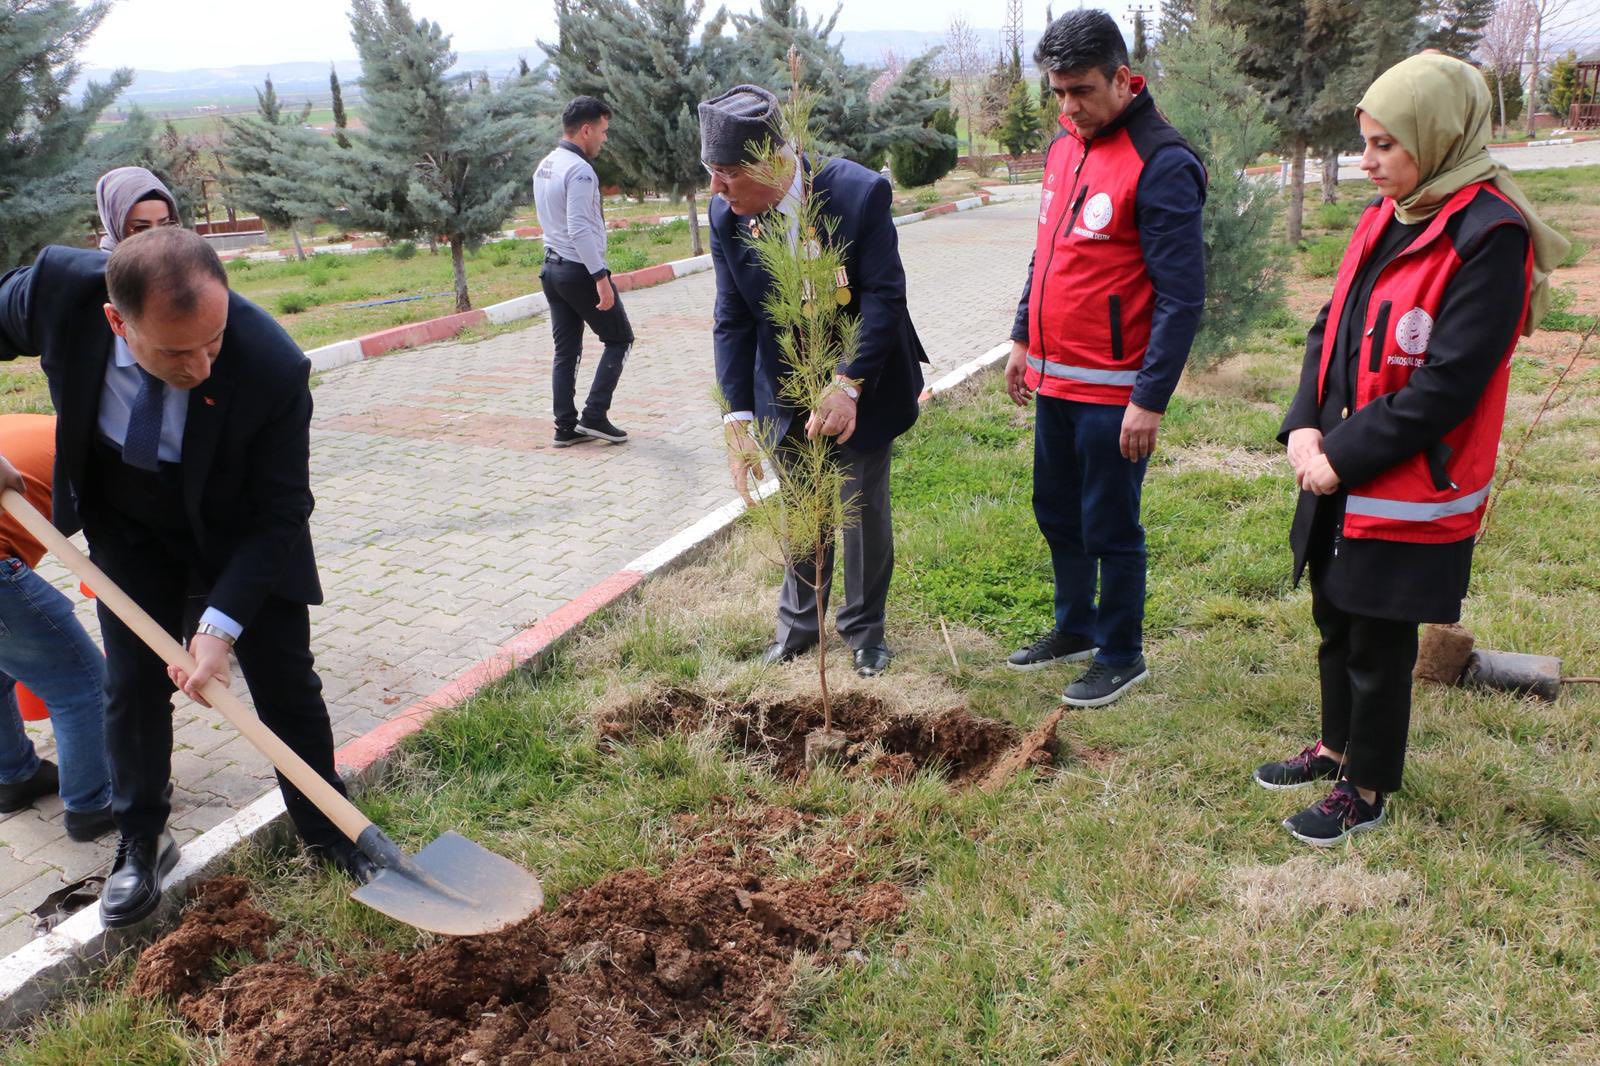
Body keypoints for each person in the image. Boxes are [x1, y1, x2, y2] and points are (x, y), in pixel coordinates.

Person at [0, 227, 377, 927]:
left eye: (213, 341)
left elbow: (283, 511)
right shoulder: (59, 290)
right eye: (176, 352)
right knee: (132, 684)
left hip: (241, 529)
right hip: (129, 522)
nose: (202, 365)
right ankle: (142, 839)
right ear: (117, 321)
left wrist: (219, 625)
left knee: (287, 683)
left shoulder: (270, 365)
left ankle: (332, 833)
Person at [1255, 52, 1568, 846]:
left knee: (1377, 638)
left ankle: (1365, 788)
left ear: (1438, 136)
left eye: (1384, 145)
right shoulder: (1389, 213)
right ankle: (1334, 748)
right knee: (1334, 613)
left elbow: (1449, 383)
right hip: (1337, 461)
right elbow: (1329, 325)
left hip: (1404, 479)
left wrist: (1343, 456)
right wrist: (1304, 422)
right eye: (1364, 143)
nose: (1367, 162)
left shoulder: (1489, 233)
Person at [1003, 9, 1206, 708]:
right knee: (1057, 512)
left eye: (1082, 91)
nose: (1069, 107)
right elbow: (1047, 251)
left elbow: (1182, 297)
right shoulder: (1065, 147)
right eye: (1058, 92)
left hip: (1116, 393)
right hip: (1055, 380)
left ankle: (1121, 653)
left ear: (1122, 79)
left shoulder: (1163, 162)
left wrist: (1148, 399)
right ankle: (1076, 627)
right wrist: (1022, 337)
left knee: (1111, 525)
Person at [700, 84, 928, 678]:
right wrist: (736, 417)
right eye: (711, 172)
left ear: (774, 162)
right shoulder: (727, 217)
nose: (716, 189)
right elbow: (733, 316)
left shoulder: (856, 193)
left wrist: (849, 381)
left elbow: (884, 296)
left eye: (728, 174)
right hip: (783, 382)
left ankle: (864, 632)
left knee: (859, 506)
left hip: (863, 376)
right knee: (803, 503)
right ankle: (800, 628)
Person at [0, 415, 114, 842]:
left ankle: (15, 776)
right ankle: (94, 804)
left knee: (4, 666)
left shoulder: (32, 432)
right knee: (82, 685)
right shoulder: (101, 453)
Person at [532, 96, 633, 449]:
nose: (604, 139)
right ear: (586, 130)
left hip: (551, 268)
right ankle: (594, 415)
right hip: (579, 271)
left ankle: (565, 427)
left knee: (566, 351)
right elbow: (578, 229)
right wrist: (600, 277)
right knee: (619, 339)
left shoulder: (546, 164)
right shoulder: (580, 170)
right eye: (603, 131)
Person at [95, 166, 180, 251]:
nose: (157, 238)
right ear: (114, 225)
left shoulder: (179, 256)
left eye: (165, 225)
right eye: (142, 228)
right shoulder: (105, 259)